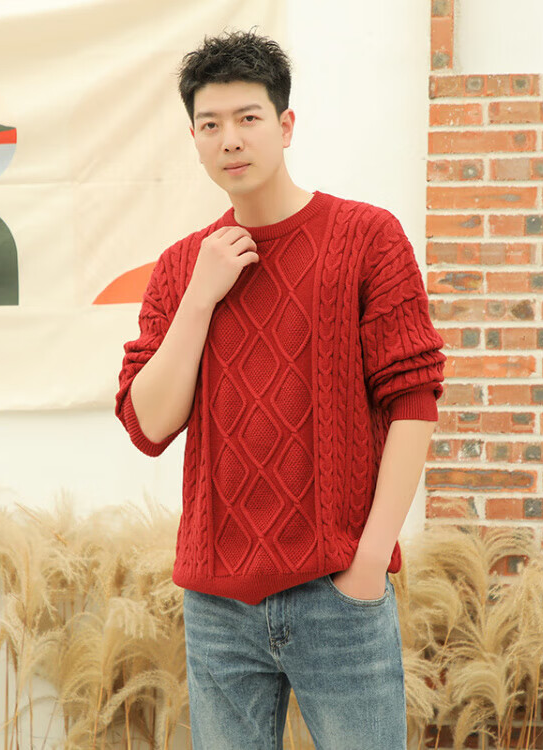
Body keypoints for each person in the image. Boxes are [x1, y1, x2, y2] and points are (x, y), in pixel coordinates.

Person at [115, 28, 446, 750]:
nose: (230, 139)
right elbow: (149, 424)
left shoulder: (367, 237)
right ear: (194, 140)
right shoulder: (182, 267)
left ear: (285, 125)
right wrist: (200, 296)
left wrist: (368, 564)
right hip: (217, 605)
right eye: (210, 125)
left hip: (338, 591)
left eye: (248, 118)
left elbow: (413, 402)